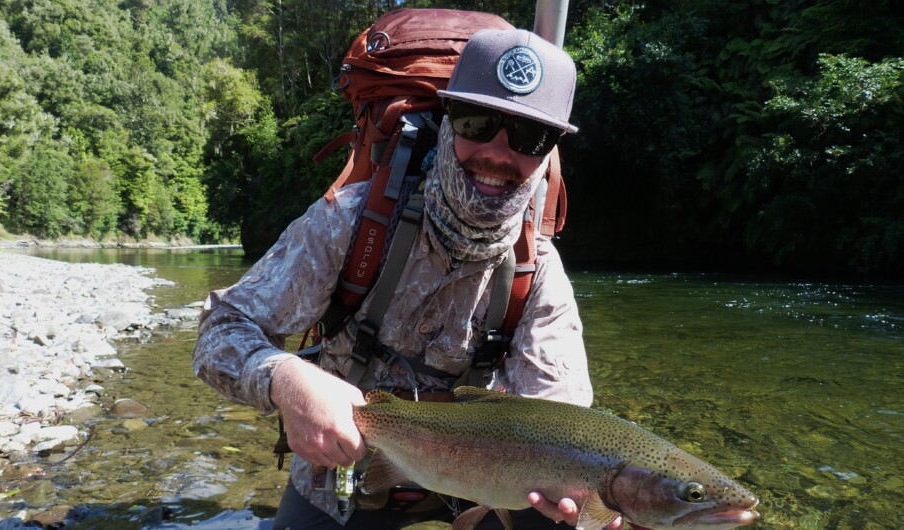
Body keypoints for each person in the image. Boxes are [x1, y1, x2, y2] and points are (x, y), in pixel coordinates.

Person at [194, 28, 626, 529]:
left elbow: (563, 422)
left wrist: (585, 494)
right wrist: (286, 382)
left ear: (548, 152)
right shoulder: (352, 222)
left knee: (569, 518)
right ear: (447, 120)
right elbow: (219, 329)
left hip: (484, 489)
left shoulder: (540, 272)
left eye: (529, 136)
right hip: (345, 482)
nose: (499, 154)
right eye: (477, 121)